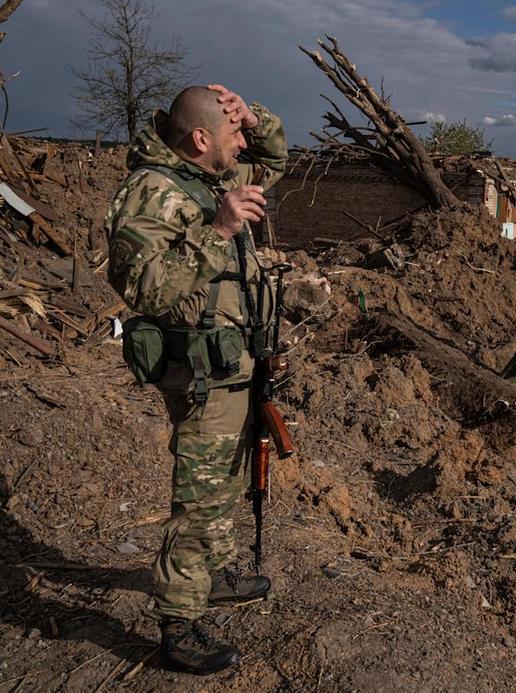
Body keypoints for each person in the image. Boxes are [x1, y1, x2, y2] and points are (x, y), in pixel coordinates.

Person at [105, 84, 287, 674]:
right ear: (201, 139)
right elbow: (145, 289)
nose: (243, 144)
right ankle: (178, 625)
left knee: (226, 483)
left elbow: (277, 160)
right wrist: (219, 231)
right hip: (200, 372)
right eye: (234, 134)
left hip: (234, 365)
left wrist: (254, 116)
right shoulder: (150, 194)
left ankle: (215, 574)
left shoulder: (209, 180)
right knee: (199, 501)